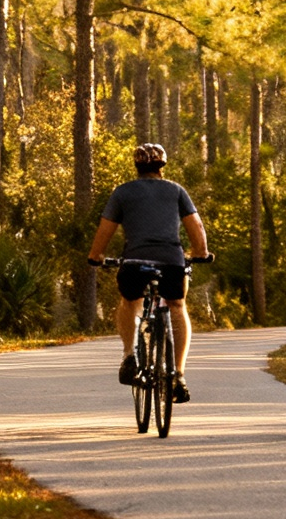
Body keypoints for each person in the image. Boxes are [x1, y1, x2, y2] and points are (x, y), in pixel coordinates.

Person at [87, 141, 211, 401]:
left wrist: (96, 256)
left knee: (129, 301)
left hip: (135, 263)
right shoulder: (176, 191)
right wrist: (200, 252)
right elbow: (196, 226)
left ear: (136, 167)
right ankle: (178, 374)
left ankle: (129, 355)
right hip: (171, 262)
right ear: (161, 166)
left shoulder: (122, 192)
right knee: (177, 306)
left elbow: (105, 228)